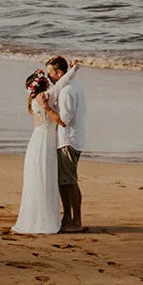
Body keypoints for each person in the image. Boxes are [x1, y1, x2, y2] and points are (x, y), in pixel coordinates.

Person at [12, 69, 61, 234]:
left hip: (38, 140)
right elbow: (61, 84)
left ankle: (38, 217)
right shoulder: (44, 98)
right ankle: (45, 220)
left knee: (39, 179)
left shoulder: (34, 99)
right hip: (44, 141)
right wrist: (74, 70)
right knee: (45, 178)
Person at [46, 54, 86, 232]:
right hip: (69, 139)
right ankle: (67, 217)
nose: (49, 78)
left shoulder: (67, 91)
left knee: (70, 181)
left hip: (69, 140)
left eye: (51, 74)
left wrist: (47, 108)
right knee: (64, 181)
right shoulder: (71, 86)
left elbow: (64, 120)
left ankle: (76, 220)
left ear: (59, 72)